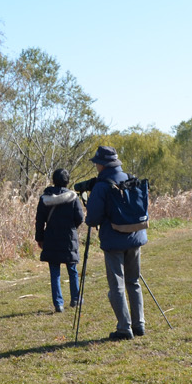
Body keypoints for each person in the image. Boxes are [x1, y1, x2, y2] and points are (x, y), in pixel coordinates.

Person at [82, 146, 148, 340]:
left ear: (101, 165)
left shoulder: (102, 186)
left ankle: (124, 328)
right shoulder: (130, 178)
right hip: (136, 236)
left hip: (113, 241)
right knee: (133, 281)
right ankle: (139, 324)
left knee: (116, 285)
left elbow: (92, 219)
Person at [34, 168, 85, 314]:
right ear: (67, 181)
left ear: (53, 180)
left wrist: (40, 238)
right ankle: (75, 298)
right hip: (69, 237)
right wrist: (72, 227)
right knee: (72, 269)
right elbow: (80, 218)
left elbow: (39, 221)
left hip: (51, 237)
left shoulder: (45, 198)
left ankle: (58, 304)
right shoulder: (73, 197)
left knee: (54, 272)